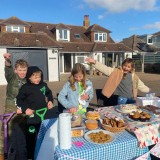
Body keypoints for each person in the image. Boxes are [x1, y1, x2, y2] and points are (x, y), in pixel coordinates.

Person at [16, 66, 55, 159]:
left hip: (44, 114)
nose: (38, 79)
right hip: (32, 117)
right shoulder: (25, 88)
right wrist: (25, 109)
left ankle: (44, 153)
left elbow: (49, 93)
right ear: (29, 77)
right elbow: (19, 100)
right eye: (35, 77)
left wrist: (50, 101)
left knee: (45, 135)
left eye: (39, 77)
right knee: (31, 137)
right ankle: (31, 155)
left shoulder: (43, 85)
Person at [85, 57, 150, 105]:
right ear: (122, 65)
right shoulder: (116, 72)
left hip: (132, 98)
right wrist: (95, 62)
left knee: (131, 113)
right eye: (125, 66)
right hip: (121, 98)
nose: (126, 68)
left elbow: (140, 85)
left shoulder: (134, 76)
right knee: (121, 113)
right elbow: (105, 69)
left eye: (128, 67)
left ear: (131, 68)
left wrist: (148, 90)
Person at [0, 53, 28, 160]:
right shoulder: (12, 77)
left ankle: (23, 154)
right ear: (16, 70)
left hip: (23, 110)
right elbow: (8, 68)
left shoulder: (28, 81)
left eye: (24, 70)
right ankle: (2, 155)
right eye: (20, 70)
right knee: (6, 133)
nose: (22, 72)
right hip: (10, 109)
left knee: (22, 133)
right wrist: (7, 60)